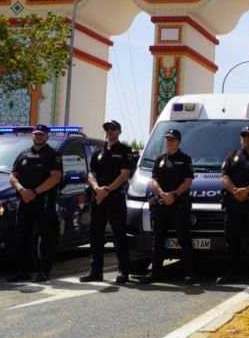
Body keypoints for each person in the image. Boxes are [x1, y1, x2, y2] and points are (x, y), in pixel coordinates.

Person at [140, 129, 197, 285]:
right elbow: (154, 180)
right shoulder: (160, 160)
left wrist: (174, 195)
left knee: (183, 238)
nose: (169, 142)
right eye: (167, 139)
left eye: (172, 139)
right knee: (157, 239)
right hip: (161, 204)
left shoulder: (185, 159)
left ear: (179, 142)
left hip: (178, 204)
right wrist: (162, 194)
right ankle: (155, 272)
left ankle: (189, 273)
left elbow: (188, 182)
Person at [7, 124, 63, 283]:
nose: (39, 137)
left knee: (46, 237)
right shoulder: (23, 154)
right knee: (23, 236)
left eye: (42, 134)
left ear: (47, 136)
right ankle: (23, 271)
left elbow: (55, 177)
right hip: (24, 200)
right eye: (36, 134)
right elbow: (13, 176)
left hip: (43, 201)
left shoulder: (53, 154)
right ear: (32, 135)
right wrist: (21, 190)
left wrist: (35, 192)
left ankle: (44, 271)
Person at [81, 120, 134, 284]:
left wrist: (107, 190)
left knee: (119, 235)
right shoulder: (98, 151)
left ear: (119, 131)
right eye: (107, 129)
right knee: (96, 235)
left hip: (115, 198)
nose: (109, 131)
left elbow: (124, 174)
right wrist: (97, 188)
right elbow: (91, 173)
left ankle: (123, 272)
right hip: (98, 197)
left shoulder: (125, 151)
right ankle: (95, 271)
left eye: (113, 129)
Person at [217, 125, 249, 286]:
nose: (246, 139)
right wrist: (235, 191)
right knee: (232, 240)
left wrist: (245, 191)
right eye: (244, 136)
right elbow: (224, 177)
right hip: (234, 205)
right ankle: (231, 273)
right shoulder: (231, 157)